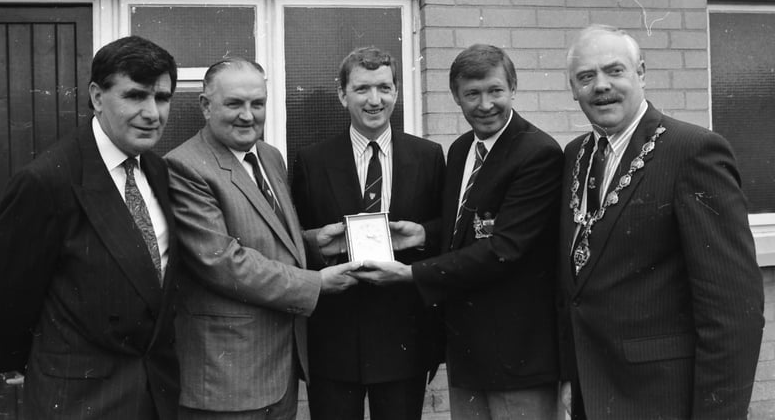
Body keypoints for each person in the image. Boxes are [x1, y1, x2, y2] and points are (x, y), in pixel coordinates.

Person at [558, 24, 765, 419]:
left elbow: (734, 310)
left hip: (664, 399)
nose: (600, 86)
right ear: (573, 89)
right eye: (586, 77)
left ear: (641, 73)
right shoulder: (576, 155)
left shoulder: (692, 151)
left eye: (614, 70)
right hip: (596, 393)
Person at [353, 44, 563, 419]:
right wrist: (421, 235)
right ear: (456, 97)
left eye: (495, 91)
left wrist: (411, 273)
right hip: (466, 351)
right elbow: (461, 232)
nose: (485, 105)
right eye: (472, 94)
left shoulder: (538, 153)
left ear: (513, 88)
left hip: (518, 357)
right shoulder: (462, 148)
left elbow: (504, 249)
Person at [0, 35, 180, 419]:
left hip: (156, 395)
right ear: (97, 96)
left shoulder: (156, 170)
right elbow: (3, 301)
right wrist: (20, 362)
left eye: (163, 98)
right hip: (80, 401)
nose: (153, 113)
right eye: (135, 96)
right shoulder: (47, 180)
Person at [165, 58, 360, 419]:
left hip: (280, 370)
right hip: (227, 379)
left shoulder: (269, 156)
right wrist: (315, 282)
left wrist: (315, 242)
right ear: (205, 106)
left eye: (257, 104)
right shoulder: (184, 166)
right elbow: (222, 262)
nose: (247, 115)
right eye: (234, 104)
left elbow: (267, 237)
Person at [291, 47, 446, 420]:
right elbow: (294, 239)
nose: (374, 100)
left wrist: (422, 233)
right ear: (343, 95)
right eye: (361, 89)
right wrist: (317, 245)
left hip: (404, 335)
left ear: (396, 92)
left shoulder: (428, 155)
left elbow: (446, 229)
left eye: (384, 88)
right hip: (333, 339)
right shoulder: (311, 161)